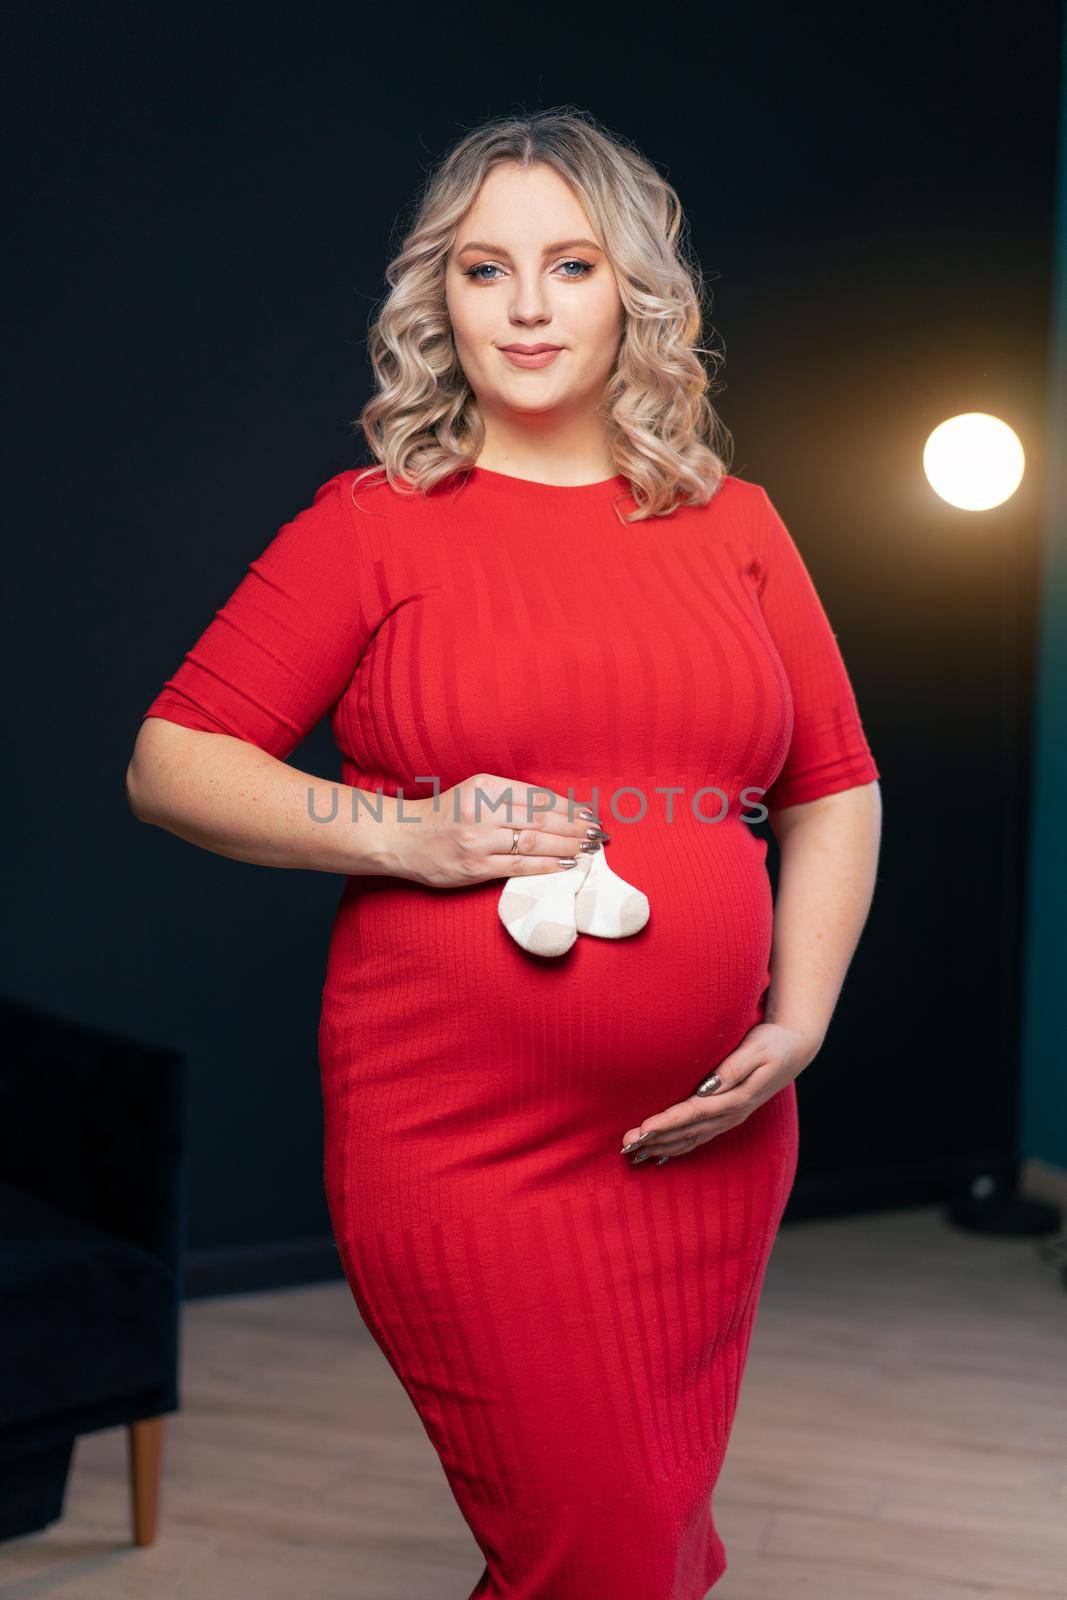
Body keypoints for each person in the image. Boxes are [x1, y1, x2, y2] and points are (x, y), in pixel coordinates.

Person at [126, 105, 882, 1599]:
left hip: (709, 1140)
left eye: (572, 266)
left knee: (654, 1541)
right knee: (594, 1551)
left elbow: (836, 785)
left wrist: (799, 1015)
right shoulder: (374, 527)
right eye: (486, 269)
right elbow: (172, 761)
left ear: (635, 296)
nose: (529, 307)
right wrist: (404, 831)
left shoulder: (735, 525)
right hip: (461, 1142)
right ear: (441, 298)